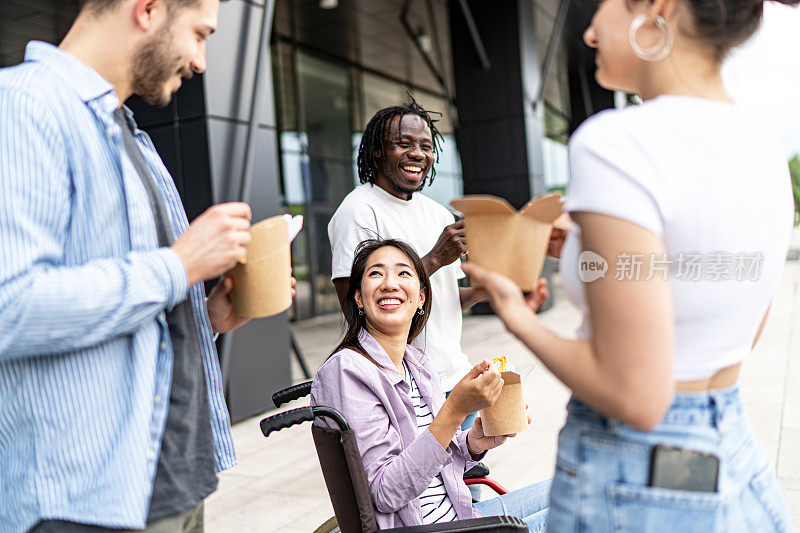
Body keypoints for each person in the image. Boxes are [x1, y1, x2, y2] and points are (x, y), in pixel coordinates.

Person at [462, 0, 798, 530]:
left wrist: (513, 313)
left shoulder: (613, 142)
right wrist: (588, 247)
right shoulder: (764, 148)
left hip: (635, 469)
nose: (591, 33)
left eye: (603, 8)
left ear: (658, 7)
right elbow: (727, 326)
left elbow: (635, 397)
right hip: (730, 451)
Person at [0, 0, 292, 531]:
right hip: (84, 506)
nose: (202, 61)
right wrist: (179, 265)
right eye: (200, 34)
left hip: (175, 482)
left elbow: (135, 306)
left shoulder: (130, 133)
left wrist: (204, 314)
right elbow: (10, 307)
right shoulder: (23, 107)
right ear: (149, 9)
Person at [327, 100, 550, 490]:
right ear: (377, 150)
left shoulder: (436, 213)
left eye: (427, 145)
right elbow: (354, 302)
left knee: (463, 489)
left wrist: (481, 292)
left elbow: (438, 298)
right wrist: (433, 258)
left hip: (452, 375)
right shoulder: (359, 210)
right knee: (423, 492)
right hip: (405, 386)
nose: (417, 154)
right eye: (403, 143)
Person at [311, 239, 551, 531]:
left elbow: (432, 461)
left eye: (403, 273)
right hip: (426, 528)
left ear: (421, 298)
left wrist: (474, 442)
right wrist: (454, 412)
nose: (389, 284)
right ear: (359, 298)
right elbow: (387, 493)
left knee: (581, 486)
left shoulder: (416, 362)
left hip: (460, 518)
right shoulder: (347, 371)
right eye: (376, 273)